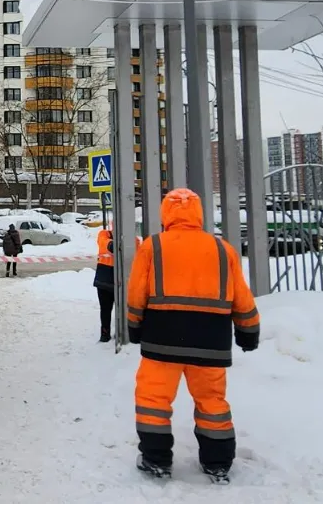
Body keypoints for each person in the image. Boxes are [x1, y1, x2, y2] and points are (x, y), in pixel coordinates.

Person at [126, 188, 260, 484]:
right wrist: (249, 331)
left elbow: (136, 292)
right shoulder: (222, 248)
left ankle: (156, 460)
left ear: (166, 213)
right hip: (210, 341)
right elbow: (241, 295)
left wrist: (134, 326)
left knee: (153, 400)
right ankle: (218, 462)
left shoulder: (153, 246)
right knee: (212, 400)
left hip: (162, 339)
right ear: (199, 214)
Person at [94, 226, 114, 342]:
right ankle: (105, 334)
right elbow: (104, 243)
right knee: (105, 309)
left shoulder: (132, 239)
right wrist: (112, 245)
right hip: (104, 281)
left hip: (117, 280)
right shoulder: (104, 234)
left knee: (123, 309)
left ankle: (122, 332)